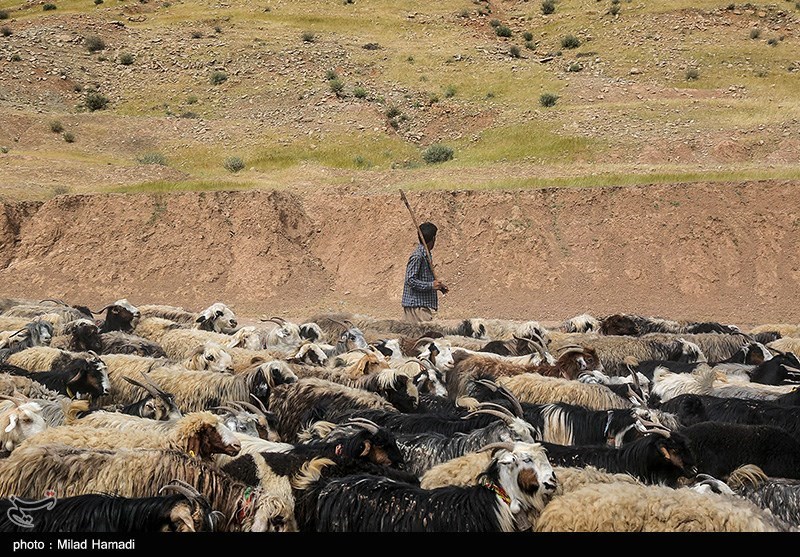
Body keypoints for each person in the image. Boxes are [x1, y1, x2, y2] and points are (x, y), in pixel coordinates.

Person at [401, 221, 449, 323]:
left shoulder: (426, 255)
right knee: (422, 337)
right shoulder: (418, 256)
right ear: (433, 239)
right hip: (416, 307)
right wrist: (431, 285)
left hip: (420, 306)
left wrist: (438, 286)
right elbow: (410, 280)